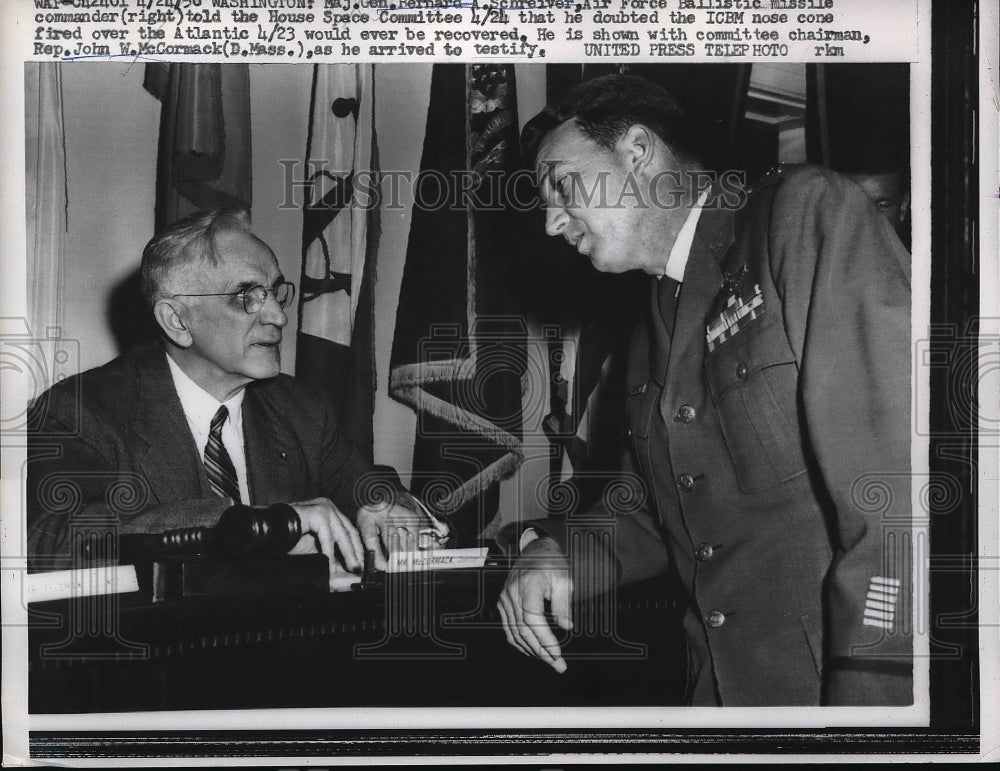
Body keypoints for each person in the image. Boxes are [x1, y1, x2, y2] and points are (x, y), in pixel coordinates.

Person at [497, 75, 912, 706]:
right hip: (719, 697)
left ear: (637, 152)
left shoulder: (801, 215)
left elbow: (896, 494)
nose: (552, 223)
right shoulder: (650, 330)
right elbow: (652, 510)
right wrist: (552, 550)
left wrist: (877, 705)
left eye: (561, 184)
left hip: (835, 691)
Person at [27, 208, 443, 582]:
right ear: (176, 321)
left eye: (276, 292)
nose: (279, 316)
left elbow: (365, 486)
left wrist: (393, 508)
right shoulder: (82, 410)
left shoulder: (300, 408)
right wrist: (264, 526)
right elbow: (53, 543)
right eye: (247, 297)